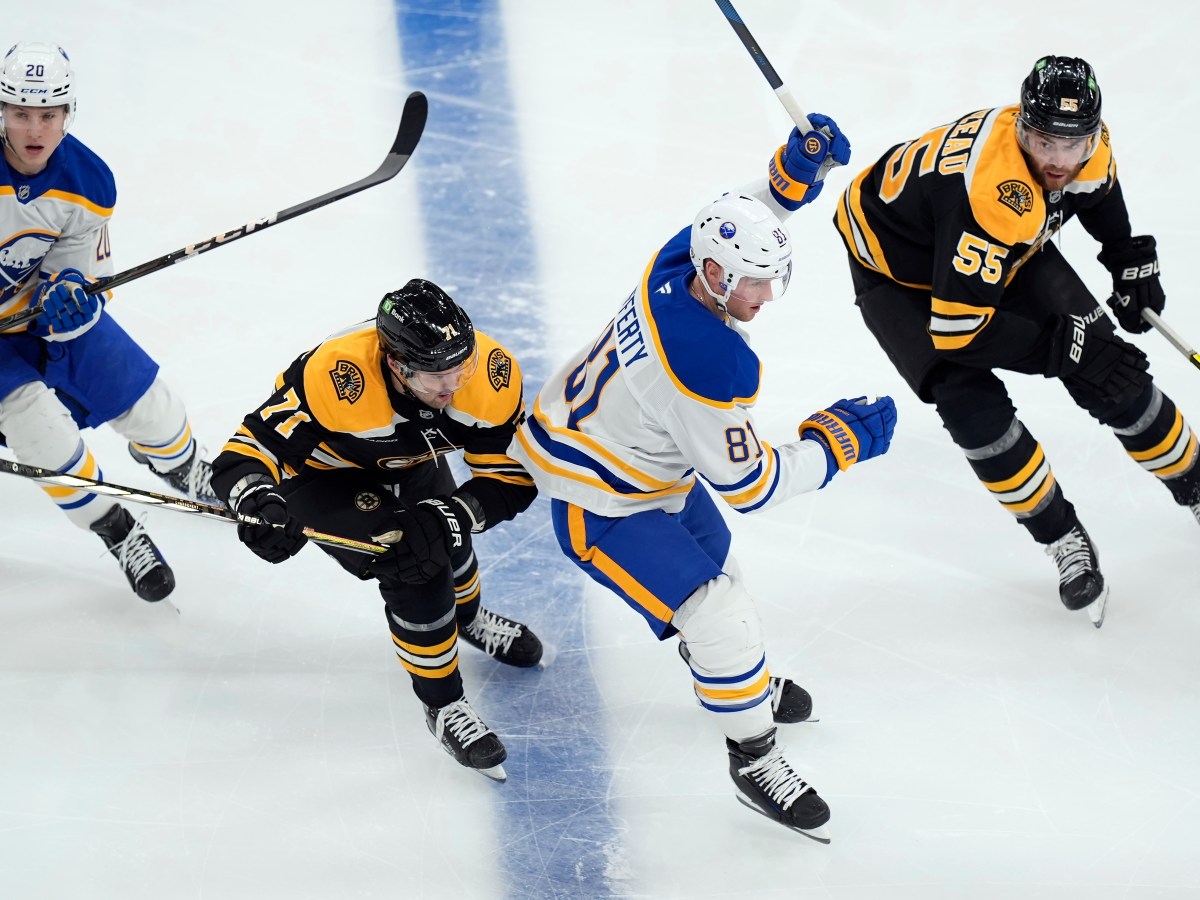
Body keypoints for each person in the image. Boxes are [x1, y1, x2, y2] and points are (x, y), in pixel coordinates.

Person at [509, 116, 896, 841]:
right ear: (716, 277)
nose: (766, 296)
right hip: (603, 504)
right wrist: (834, 446)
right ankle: (754, 760)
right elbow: (752, 486)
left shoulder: (676, 265)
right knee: (719, 615)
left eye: (771, 277)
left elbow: (732, 218)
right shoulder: (705, 360)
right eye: (755, 282)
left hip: (644, 470)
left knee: (726, 591)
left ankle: (733, 681)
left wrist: (791, 178)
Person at [833, 55, 1199, 629]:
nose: (1059, 160)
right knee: (971, 409)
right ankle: (1062, 536)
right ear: (1023, 128)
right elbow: (959, 331)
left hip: (993, 247)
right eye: (1045, 142)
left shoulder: (1085, 150)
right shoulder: (995, 194)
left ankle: (1195, 483)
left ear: (1093, 135)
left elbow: (1098, 192)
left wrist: (1125, 256)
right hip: (900, 276)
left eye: (1072, 144)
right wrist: (1066, 348)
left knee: (1114, 375)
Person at [210, 279, 544, 782]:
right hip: (323, 477)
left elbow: (511, 477)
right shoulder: (336, 376)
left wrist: (451, 515)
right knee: (416, 566)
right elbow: (250, 448)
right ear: (395, 364)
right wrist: (255, 498)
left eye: (462, 366)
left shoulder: (490, 376)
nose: (453, 386)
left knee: (447, 539)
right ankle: (443, 705)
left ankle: (468, 618)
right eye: (436, 376)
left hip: (408, 460)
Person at [0, 41, 220, 603]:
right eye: (21, 113)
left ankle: (182, 466)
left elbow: (80, 272)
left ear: (67, 113)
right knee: (43, 436)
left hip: (34, 317)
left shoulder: (88, 181)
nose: (34, 129)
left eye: (48, 114)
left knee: (151, 407)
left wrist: (70, 297)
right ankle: (116, 529)